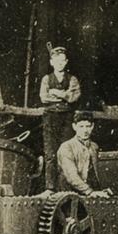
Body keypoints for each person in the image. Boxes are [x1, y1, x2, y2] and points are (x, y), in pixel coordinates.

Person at [38, 44, 82, 193]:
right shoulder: (46, 79)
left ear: (66, 62)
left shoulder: (72, 79)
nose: (60, 63)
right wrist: (65, 95)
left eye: (63, 60)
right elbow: (44, 98)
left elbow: (73, 97)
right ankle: (50, 187)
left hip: (67, 118)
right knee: (50, 153)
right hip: (50, 118)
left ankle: (65, 187)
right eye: (57, 61)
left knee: (66, 153)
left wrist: (56, 93)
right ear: (51, 62)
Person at [57, 110, 111, 198]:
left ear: (92, 126)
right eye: (81, 126)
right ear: (74, 127)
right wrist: (89, 191)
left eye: (88, 126)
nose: (85, 130)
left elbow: (95, 174)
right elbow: (71, 176)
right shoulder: (66, 147)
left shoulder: (94, 147)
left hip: (88, 193)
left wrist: (101, 189)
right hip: (69, 195)